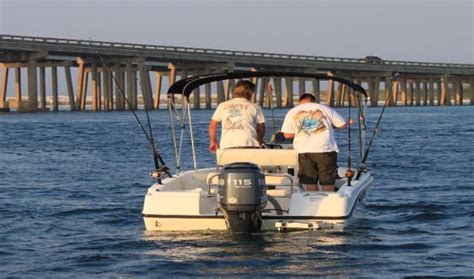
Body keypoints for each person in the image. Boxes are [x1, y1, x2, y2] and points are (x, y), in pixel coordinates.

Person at [281, 93, 349, 192]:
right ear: (314, 100)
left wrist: (303, 129)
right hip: (325, 149)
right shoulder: (324, 108)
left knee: (310, 180)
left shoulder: (292, 111)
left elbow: (287, 135)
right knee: (327, 180)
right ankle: (328, 201)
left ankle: (313, 202)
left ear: (300, 101)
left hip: (304, 151)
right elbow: (342, 125)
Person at [208, 80, 265, 152]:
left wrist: (213, 141)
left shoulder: (222, 105)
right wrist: (260, 140)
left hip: (226, 146)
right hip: (249, 145)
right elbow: (261, 127)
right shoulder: (255, 107)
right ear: (249, 93)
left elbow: (212, 126)